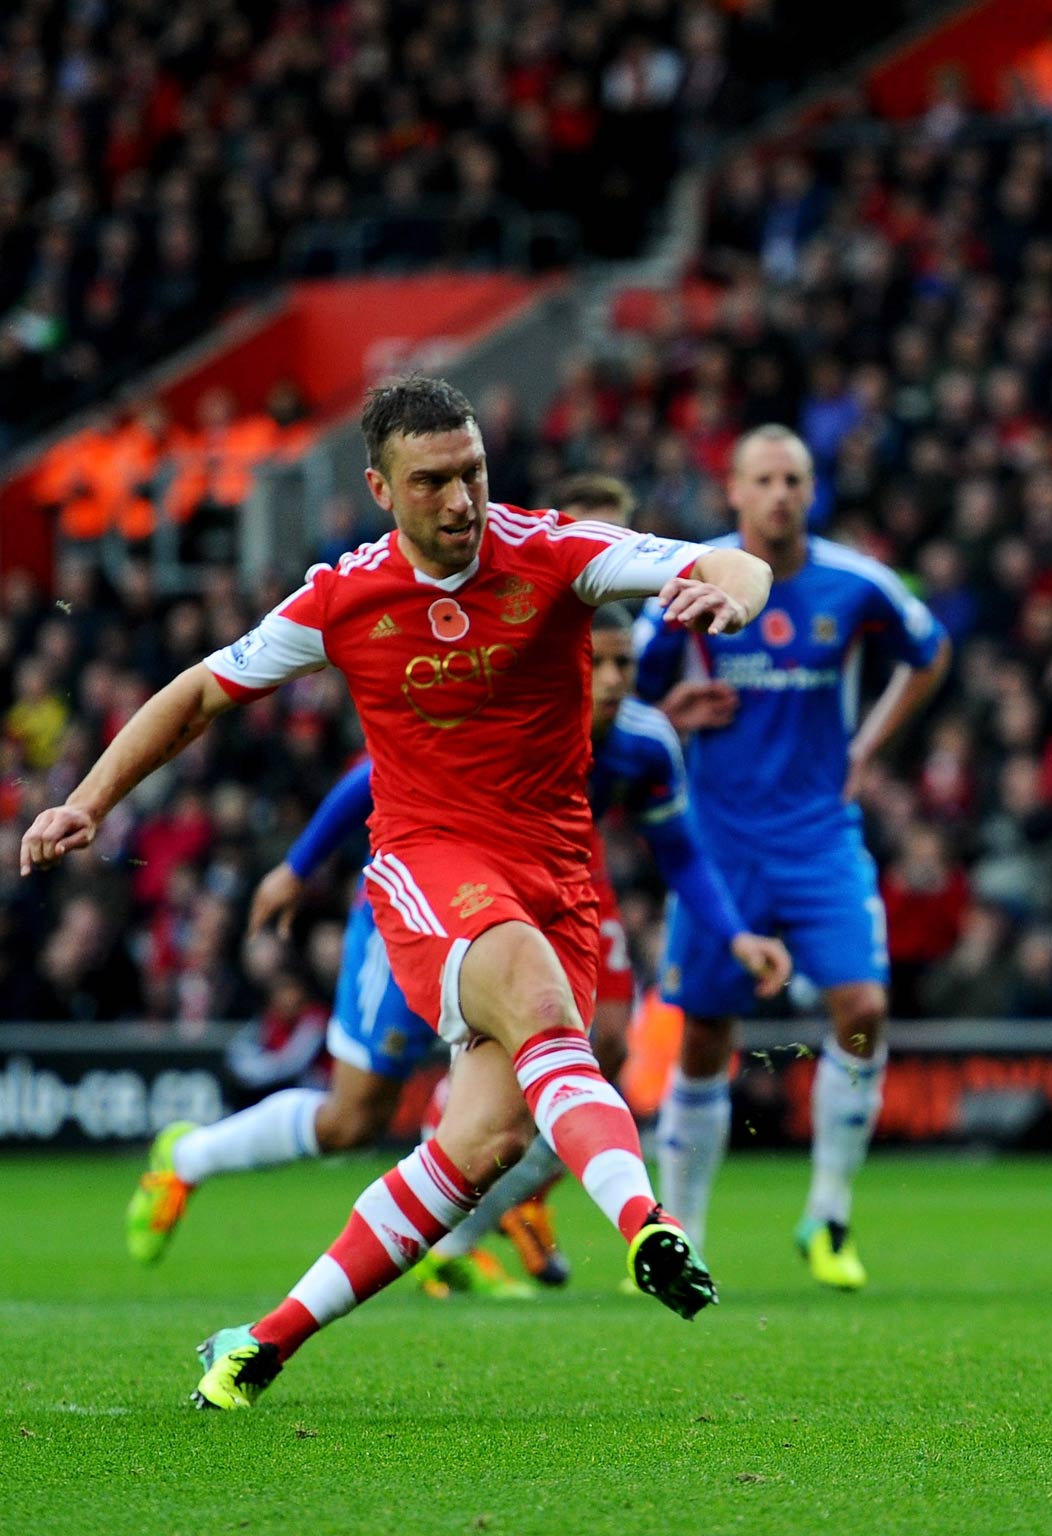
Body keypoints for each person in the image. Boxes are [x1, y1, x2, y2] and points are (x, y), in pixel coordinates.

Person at [22, 375, 773, 1409]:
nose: (462, 501)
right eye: (433, 483)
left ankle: (259, 1344)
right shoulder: (343, 596)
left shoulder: (550, 550)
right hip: (432, 867)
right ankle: (645, 1223)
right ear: (380, 488)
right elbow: (200, 692)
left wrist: (733, 591)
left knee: (483, 1142)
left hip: (555, 880)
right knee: (526, 1026)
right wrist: (89, 801)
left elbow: (723, 557)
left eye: (471, 472)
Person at [121, 607, 793, 1296]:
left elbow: (680, 851)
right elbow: (369, 779)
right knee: (352, 1119)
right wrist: (297, 868)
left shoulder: (644, 743)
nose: (619, 680)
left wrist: (738, 934)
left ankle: (466, 1239)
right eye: (604, 662)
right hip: (414, 911)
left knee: (543, 1080)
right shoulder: (507, 711)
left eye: (627, 664)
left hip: (520, 913)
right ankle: (188, 1157)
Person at [634, 424, 950, 1289]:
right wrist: (672, 714)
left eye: (795, 479)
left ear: (813, 490)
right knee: (704, 1032)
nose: (781, 494)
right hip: (720, 840)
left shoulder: (854, 584)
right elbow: (629, 683)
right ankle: (681, 1231)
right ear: (733, 491)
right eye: (764, 480)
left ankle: (828, 1215)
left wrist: (866, 747)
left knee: (863, 1008)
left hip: (819, 838)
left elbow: (929, 653)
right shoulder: (694, 578)